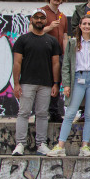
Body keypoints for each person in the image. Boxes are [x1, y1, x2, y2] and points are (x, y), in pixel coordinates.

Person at [47, 15, 90, 157]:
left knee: (89, 114)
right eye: (84, 24)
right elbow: (66, 64)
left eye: (89, 24)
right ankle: (60, 146)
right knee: (70, 113)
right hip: (78, 78)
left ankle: (85, 147)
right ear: (80, 26)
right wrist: (66, 84)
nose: (87, 26)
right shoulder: (72, 43)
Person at [12, 9, 61, 156]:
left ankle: (41, 144)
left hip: (46, 84)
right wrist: (16, 83)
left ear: (46, 21)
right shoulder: (23, 40)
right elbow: (17, 63)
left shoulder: (52, 41)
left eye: (42, 18)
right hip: (27, 82)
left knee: (42, 114)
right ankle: (20, 144)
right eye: (36, 17)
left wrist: (55, 83)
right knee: (24, 113)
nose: (39, 20)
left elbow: (56, 64)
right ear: (31, 20)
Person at [41, 0, 69, 123]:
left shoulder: (63, 16)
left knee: (56, 83)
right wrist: (49, 27)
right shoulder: (41, 12)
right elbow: (32, 30)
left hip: (59, 55)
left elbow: (64, 37)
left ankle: (54, 112)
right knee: (44, 83)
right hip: (44, 54)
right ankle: (42, 112)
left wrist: (66, 54)